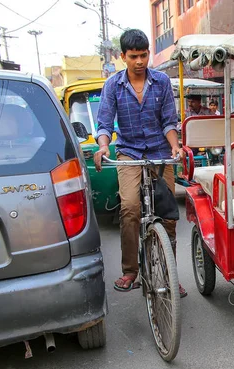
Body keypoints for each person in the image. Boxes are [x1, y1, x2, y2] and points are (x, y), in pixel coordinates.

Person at [93, 29, 187, 296]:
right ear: (123, 56)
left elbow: (169, 121)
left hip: (159, 152)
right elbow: (104, 124)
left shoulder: (161, 82)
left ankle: (170, 274)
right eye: (133, 56)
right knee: (131, 208)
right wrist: (102, 147)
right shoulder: (112, 85)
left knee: (168, 216)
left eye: (144, 55)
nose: (139, 61)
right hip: (129, 153)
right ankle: (130, 271)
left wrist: (174, 145)